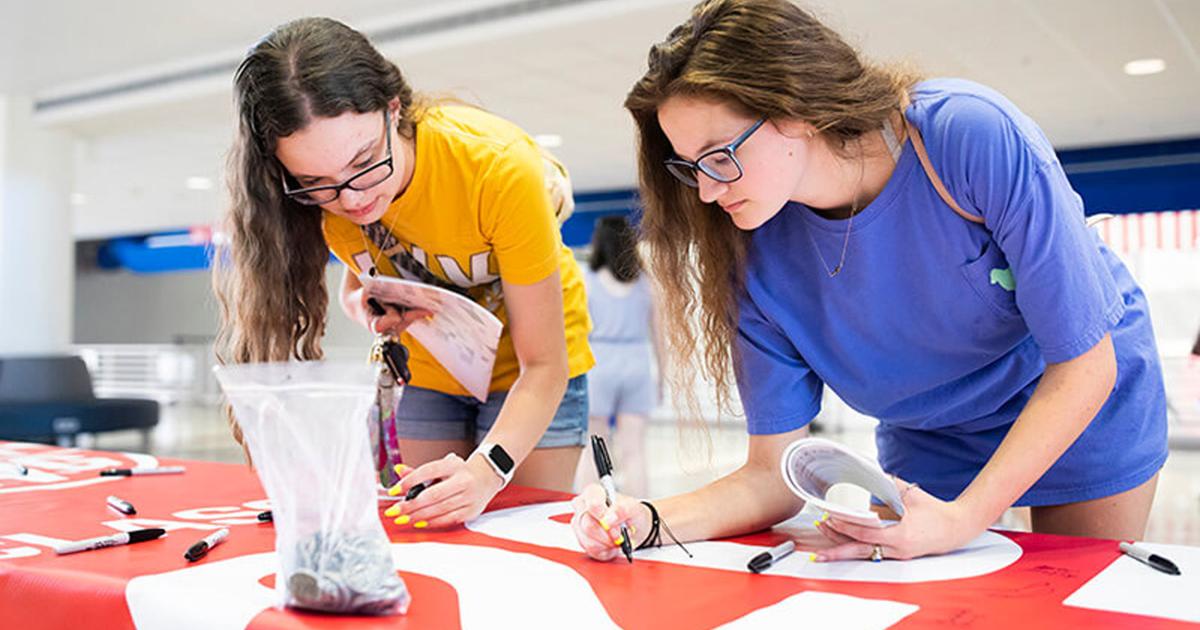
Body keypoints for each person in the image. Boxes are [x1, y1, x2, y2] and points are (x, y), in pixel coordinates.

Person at [571, 0, 1167, 562]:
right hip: (930, 435)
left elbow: (1085, 362)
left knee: (1075, 599)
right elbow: (771, 473)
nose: (705, 190)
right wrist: (647, 519)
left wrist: (961, 520)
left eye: (719, 155)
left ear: (795, 108)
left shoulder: (964, 137)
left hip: (1071, 403)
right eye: (690, 167)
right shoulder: (751, 254)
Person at [215, 17, 593, 528]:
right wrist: (372, 308)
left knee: (524, 530)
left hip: (533, 373)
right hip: (434, 369)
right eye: (317, 181)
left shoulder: (497, 168)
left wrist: (488, 470)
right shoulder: (314, 206)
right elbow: (356, 290)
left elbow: (545, 365)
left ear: (393, 110)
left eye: (365, 161)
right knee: (425, 526)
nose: (352, 198)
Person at [574, 215, 664, 497]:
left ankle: (591, 508)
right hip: (637, 363)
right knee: (634, 450)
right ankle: (641, 510)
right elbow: (660, 336)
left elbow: (576, 332)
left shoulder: (587, 281)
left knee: (594, 447)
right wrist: (662, 378)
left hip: (599, 363)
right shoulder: (647, 283)